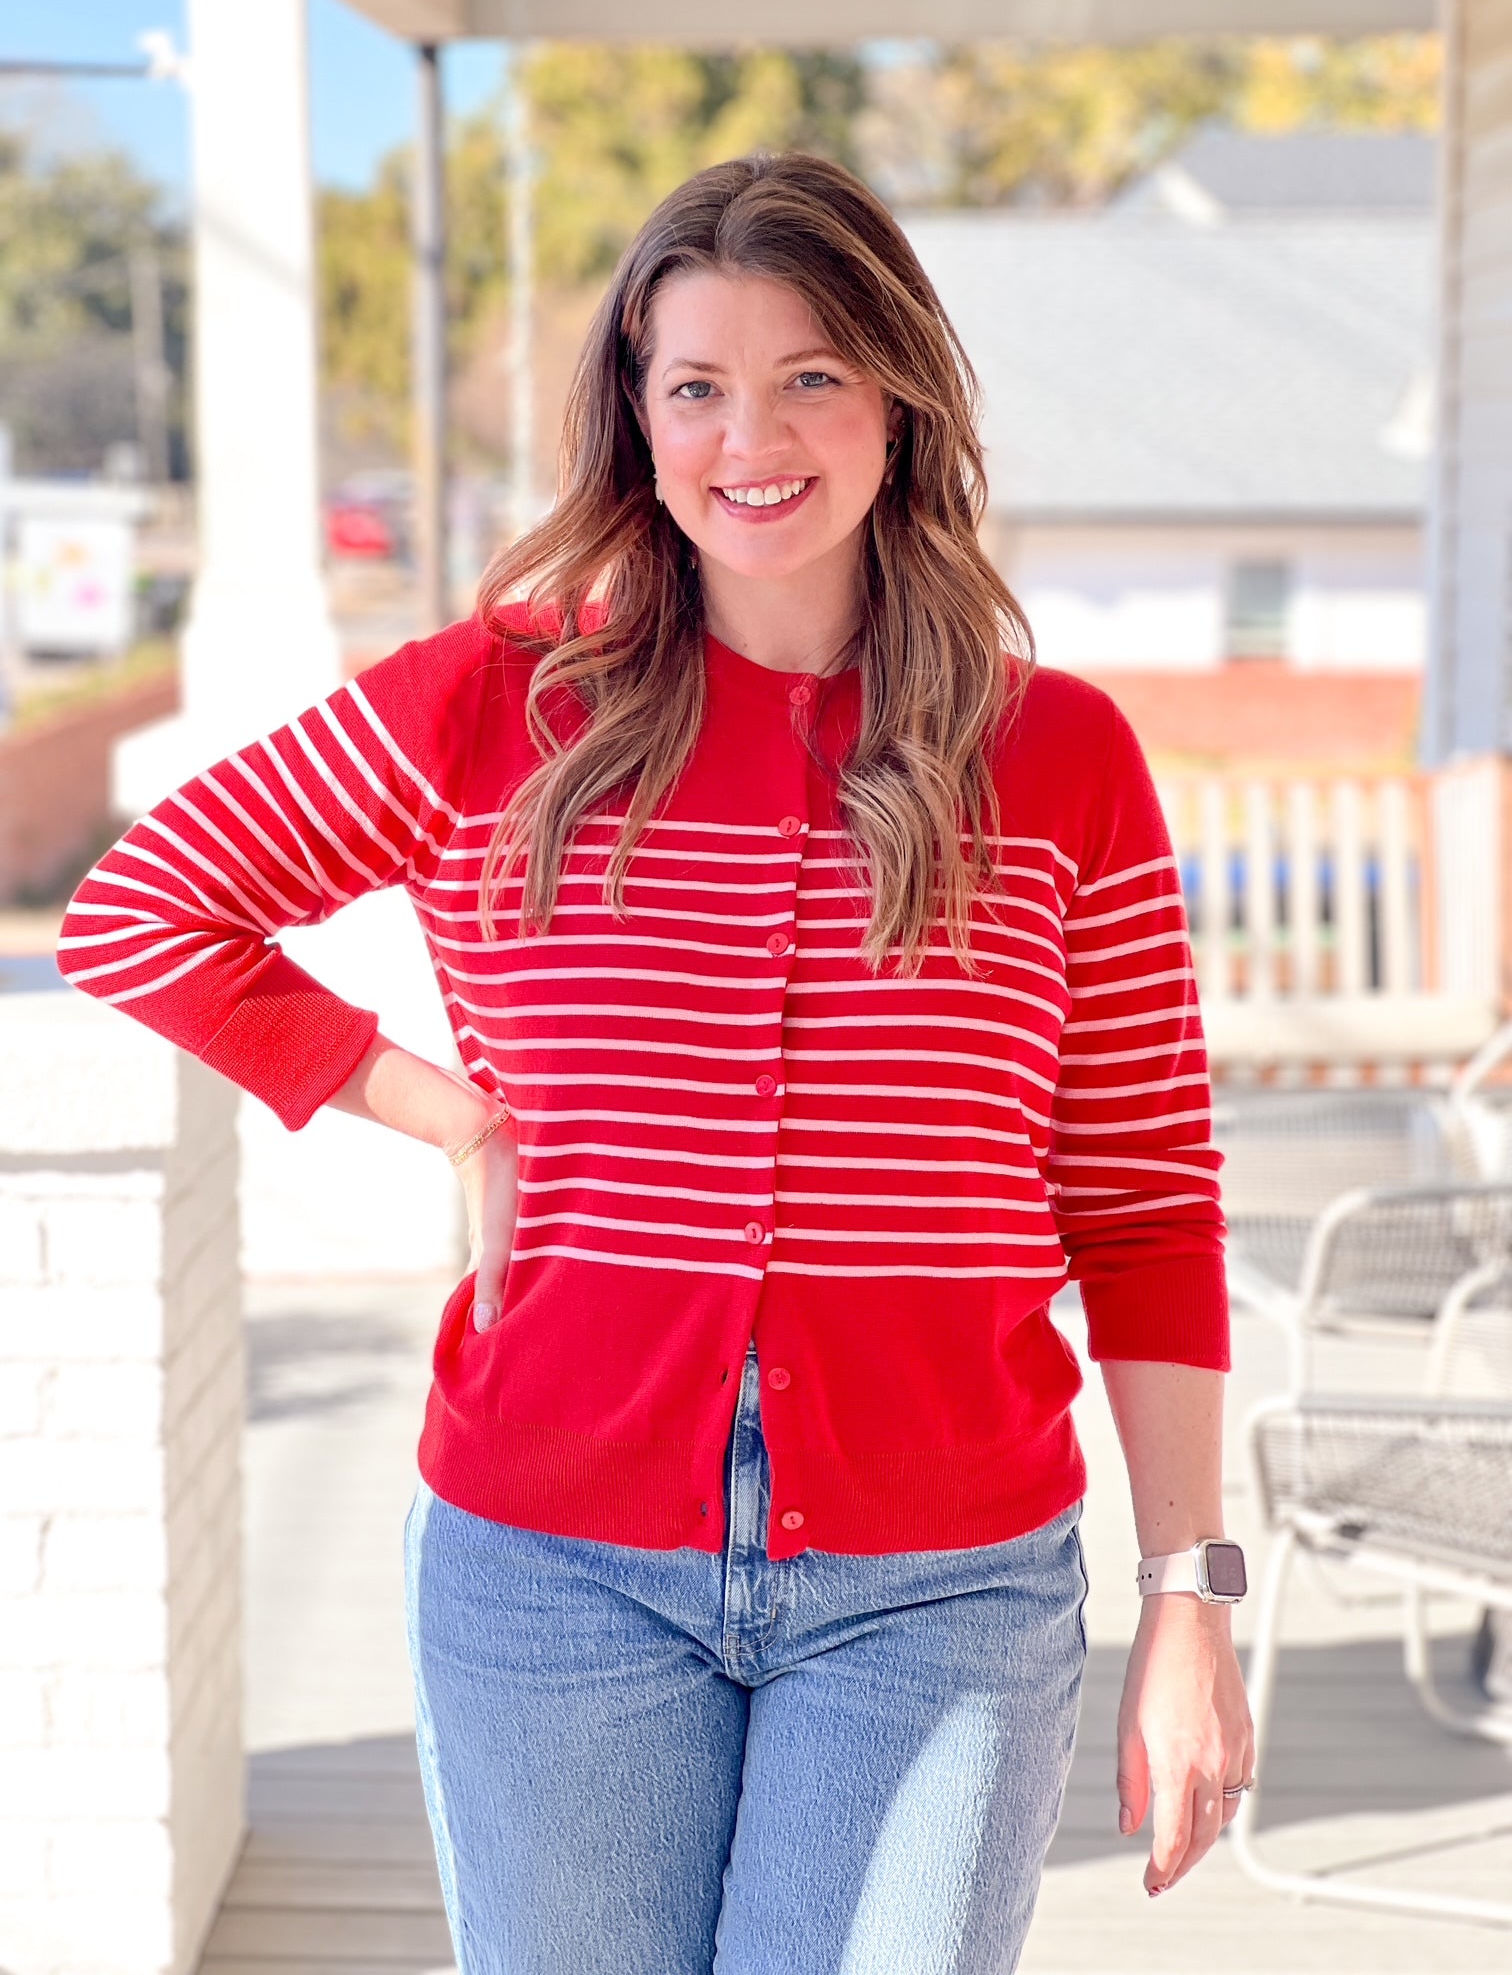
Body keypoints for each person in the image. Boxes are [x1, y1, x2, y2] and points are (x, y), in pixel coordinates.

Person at [57, 150, 1252, 1974]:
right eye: (694, 384)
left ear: (901, 399)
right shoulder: (497, 705)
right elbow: (145, 911)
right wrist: (441, 1109)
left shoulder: (1059, 758)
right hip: (552, 1565)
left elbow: (1148, 1200)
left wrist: (1190, 1597)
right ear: (635, 413)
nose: (747, 435)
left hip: (940, 1593)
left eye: (809, 378)